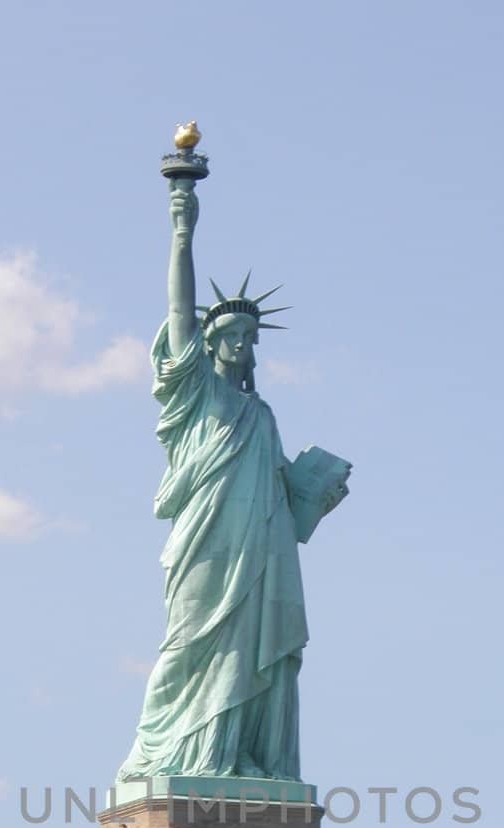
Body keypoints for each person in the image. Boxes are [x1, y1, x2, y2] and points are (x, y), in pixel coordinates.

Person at [118, 171, 350, 786]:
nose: (241, 345)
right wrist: (182, 225)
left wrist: (315, 498)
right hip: (208, 541)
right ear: (208, 341)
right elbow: (177, 311)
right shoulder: (195, 397)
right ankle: (174, 756)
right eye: (230, 335)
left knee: (254, 650)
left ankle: (239, 757)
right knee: (190, 643)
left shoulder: (261, 414)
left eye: (249, 338)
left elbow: (283, 498)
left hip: (263, 545)